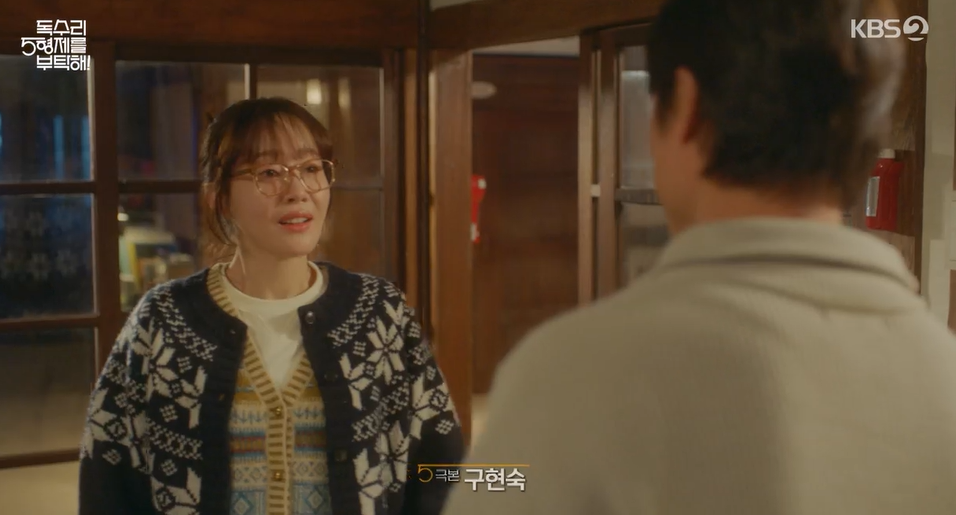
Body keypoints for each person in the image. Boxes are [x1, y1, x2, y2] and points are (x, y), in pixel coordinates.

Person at [441, 0, 956, 514]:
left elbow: (502, 484)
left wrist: (459, 475)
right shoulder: (942, 374)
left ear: (687, 107)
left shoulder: (574, 371)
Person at [79, 97, 464, 515]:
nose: (297, 191)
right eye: (268, 173)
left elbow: (440, 466)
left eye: (311, 168)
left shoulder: (379, 313)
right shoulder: (163, 320)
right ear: (220, 197)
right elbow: (107, 477)